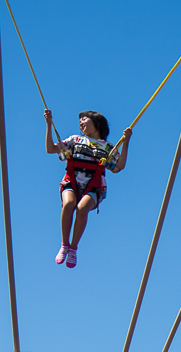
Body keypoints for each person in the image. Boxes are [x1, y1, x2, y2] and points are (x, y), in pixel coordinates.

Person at [45, 109, 131, 268]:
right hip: (72, 181)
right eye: (80, 120)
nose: (81, 122)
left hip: (94, 186)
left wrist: (126, 143)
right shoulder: (75, 140)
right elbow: (51, 149)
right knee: (69, 204)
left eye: (85, 118)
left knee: (82, 208)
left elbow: (119, 166)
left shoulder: (108, 148)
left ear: (96, 123)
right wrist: (49, 124)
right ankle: (64, 244)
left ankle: (73, 248)